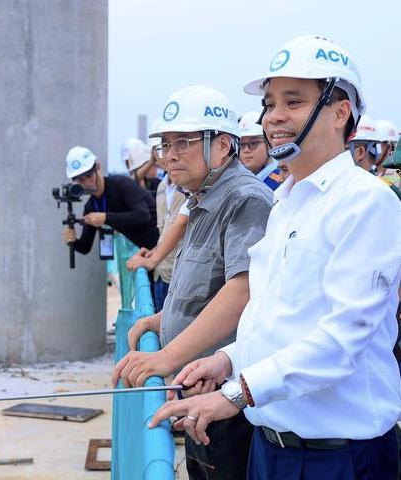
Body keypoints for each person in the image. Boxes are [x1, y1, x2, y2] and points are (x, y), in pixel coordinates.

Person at [149, 34, 401, 480]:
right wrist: (227, 359)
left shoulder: (366, 203)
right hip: (270, 448)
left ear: (341, 112)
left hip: (337, 457)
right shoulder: (286, 203)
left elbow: (342, 338)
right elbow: (278, 321)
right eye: (269, 104)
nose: (274, 117)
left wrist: (234, 393)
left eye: (294, 101)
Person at [112, 85, 273, 479]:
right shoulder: (201, 199)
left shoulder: (244, 199)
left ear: (221, 146)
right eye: (165, 145)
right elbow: (205, 285)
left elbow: (243, 289)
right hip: (196, 386)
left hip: (228, 397)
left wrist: (165, 358)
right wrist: (163, 319)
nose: (170, 155)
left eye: (182, 142)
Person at [127, 126, 189, 313]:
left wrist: (152, 260)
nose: (167, 155)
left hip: (180, 277)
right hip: (161, 274)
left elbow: (182, 224)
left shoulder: (189, 185)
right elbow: (166, 230)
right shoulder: (162, 187)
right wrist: (152, 253)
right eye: (163, 148)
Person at [62, 146, 159, 256]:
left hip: (165, 244)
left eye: (88, 176)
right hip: (149, 253)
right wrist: (73, 241)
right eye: (80, 179)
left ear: (98, 167)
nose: (86, 182)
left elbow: (143, 215)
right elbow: (85, 246)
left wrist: (105, 217)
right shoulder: (91, 206)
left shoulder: (121, 184)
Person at [239, 110, 284, 190]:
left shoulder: (279, 181)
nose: (246, 150)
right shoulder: (242, 179)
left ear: (269, 144)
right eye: (242, 145)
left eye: (253, 143)